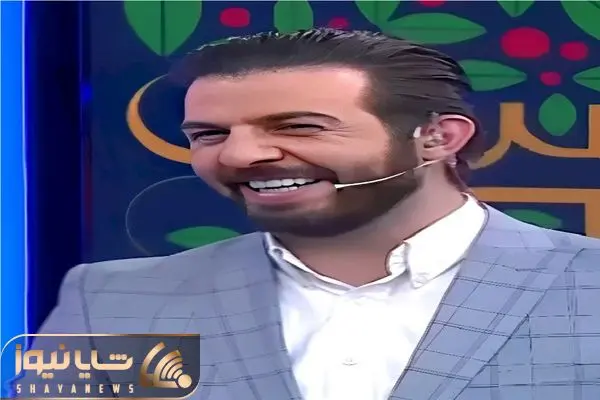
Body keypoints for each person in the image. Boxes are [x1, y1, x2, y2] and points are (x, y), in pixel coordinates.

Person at [13, 29, 600, 400]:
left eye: (297, 127)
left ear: (438, 138)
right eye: (210, 134)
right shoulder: (113, 301)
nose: (240, 156)